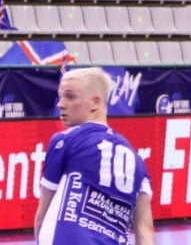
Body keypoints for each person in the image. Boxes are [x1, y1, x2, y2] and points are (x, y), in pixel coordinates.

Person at [34, 67, 154, 244]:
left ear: (95, 103)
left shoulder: (66, 140)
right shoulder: (137, 161)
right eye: (60, 96)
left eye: (70, 97)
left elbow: (42, 217)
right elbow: (145, 230)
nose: (61, 104)